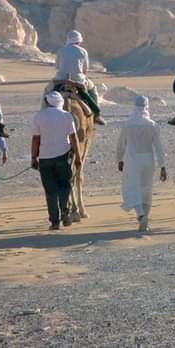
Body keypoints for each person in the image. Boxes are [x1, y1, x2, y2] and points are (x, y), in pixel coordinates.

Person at [31, 91, 82, 230]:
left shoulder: (38, 116)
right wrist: (78, 157)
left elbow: (35, 139)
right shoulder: (67, 116)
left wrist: (33, 157)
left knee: (50, 190)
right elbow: (73, 137)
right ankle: (65, 212)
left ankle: (54, 221)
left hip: (45, 158)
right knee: (65, 186)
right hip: (63, 157)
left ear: (47, 102)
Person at [117, 96, 167, 232]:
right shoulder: (152, 124)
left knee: (132, 188)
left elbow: (121, 145)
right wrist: (162, 166)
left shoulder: (127, 124)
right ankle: (145, 219)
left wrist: (119, 159)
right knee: (146, 190)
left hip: (132, 160)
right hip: (148, 160)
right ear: (147, 107)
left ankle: (141, 215)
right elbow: (159, 147)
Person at [51, 30, 106, 125]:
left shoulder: (61, 51)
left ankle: (44, 110)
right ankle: (96, 115)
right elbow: (85, 70)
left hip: (61, 80)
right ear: (79, 41)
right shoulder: (83, 51)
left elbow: (57, 67)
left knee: (48, 92)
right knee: (92, 89)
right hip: (78, 80)